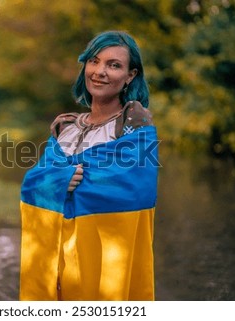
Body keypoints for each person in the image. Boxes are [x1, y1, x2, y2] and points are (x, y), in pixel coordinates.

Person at [19, 31, 159, 301]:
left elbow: (133, 189)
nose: (100, 71)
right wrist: (58, 182)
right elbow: (36, 181)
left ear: (130, 75)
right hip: (61, 257)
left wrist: (72, 179)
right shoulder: (66, 127)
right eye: (94, 62)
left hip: (104, 259)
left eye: (114, 65)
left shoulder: (134, 124)